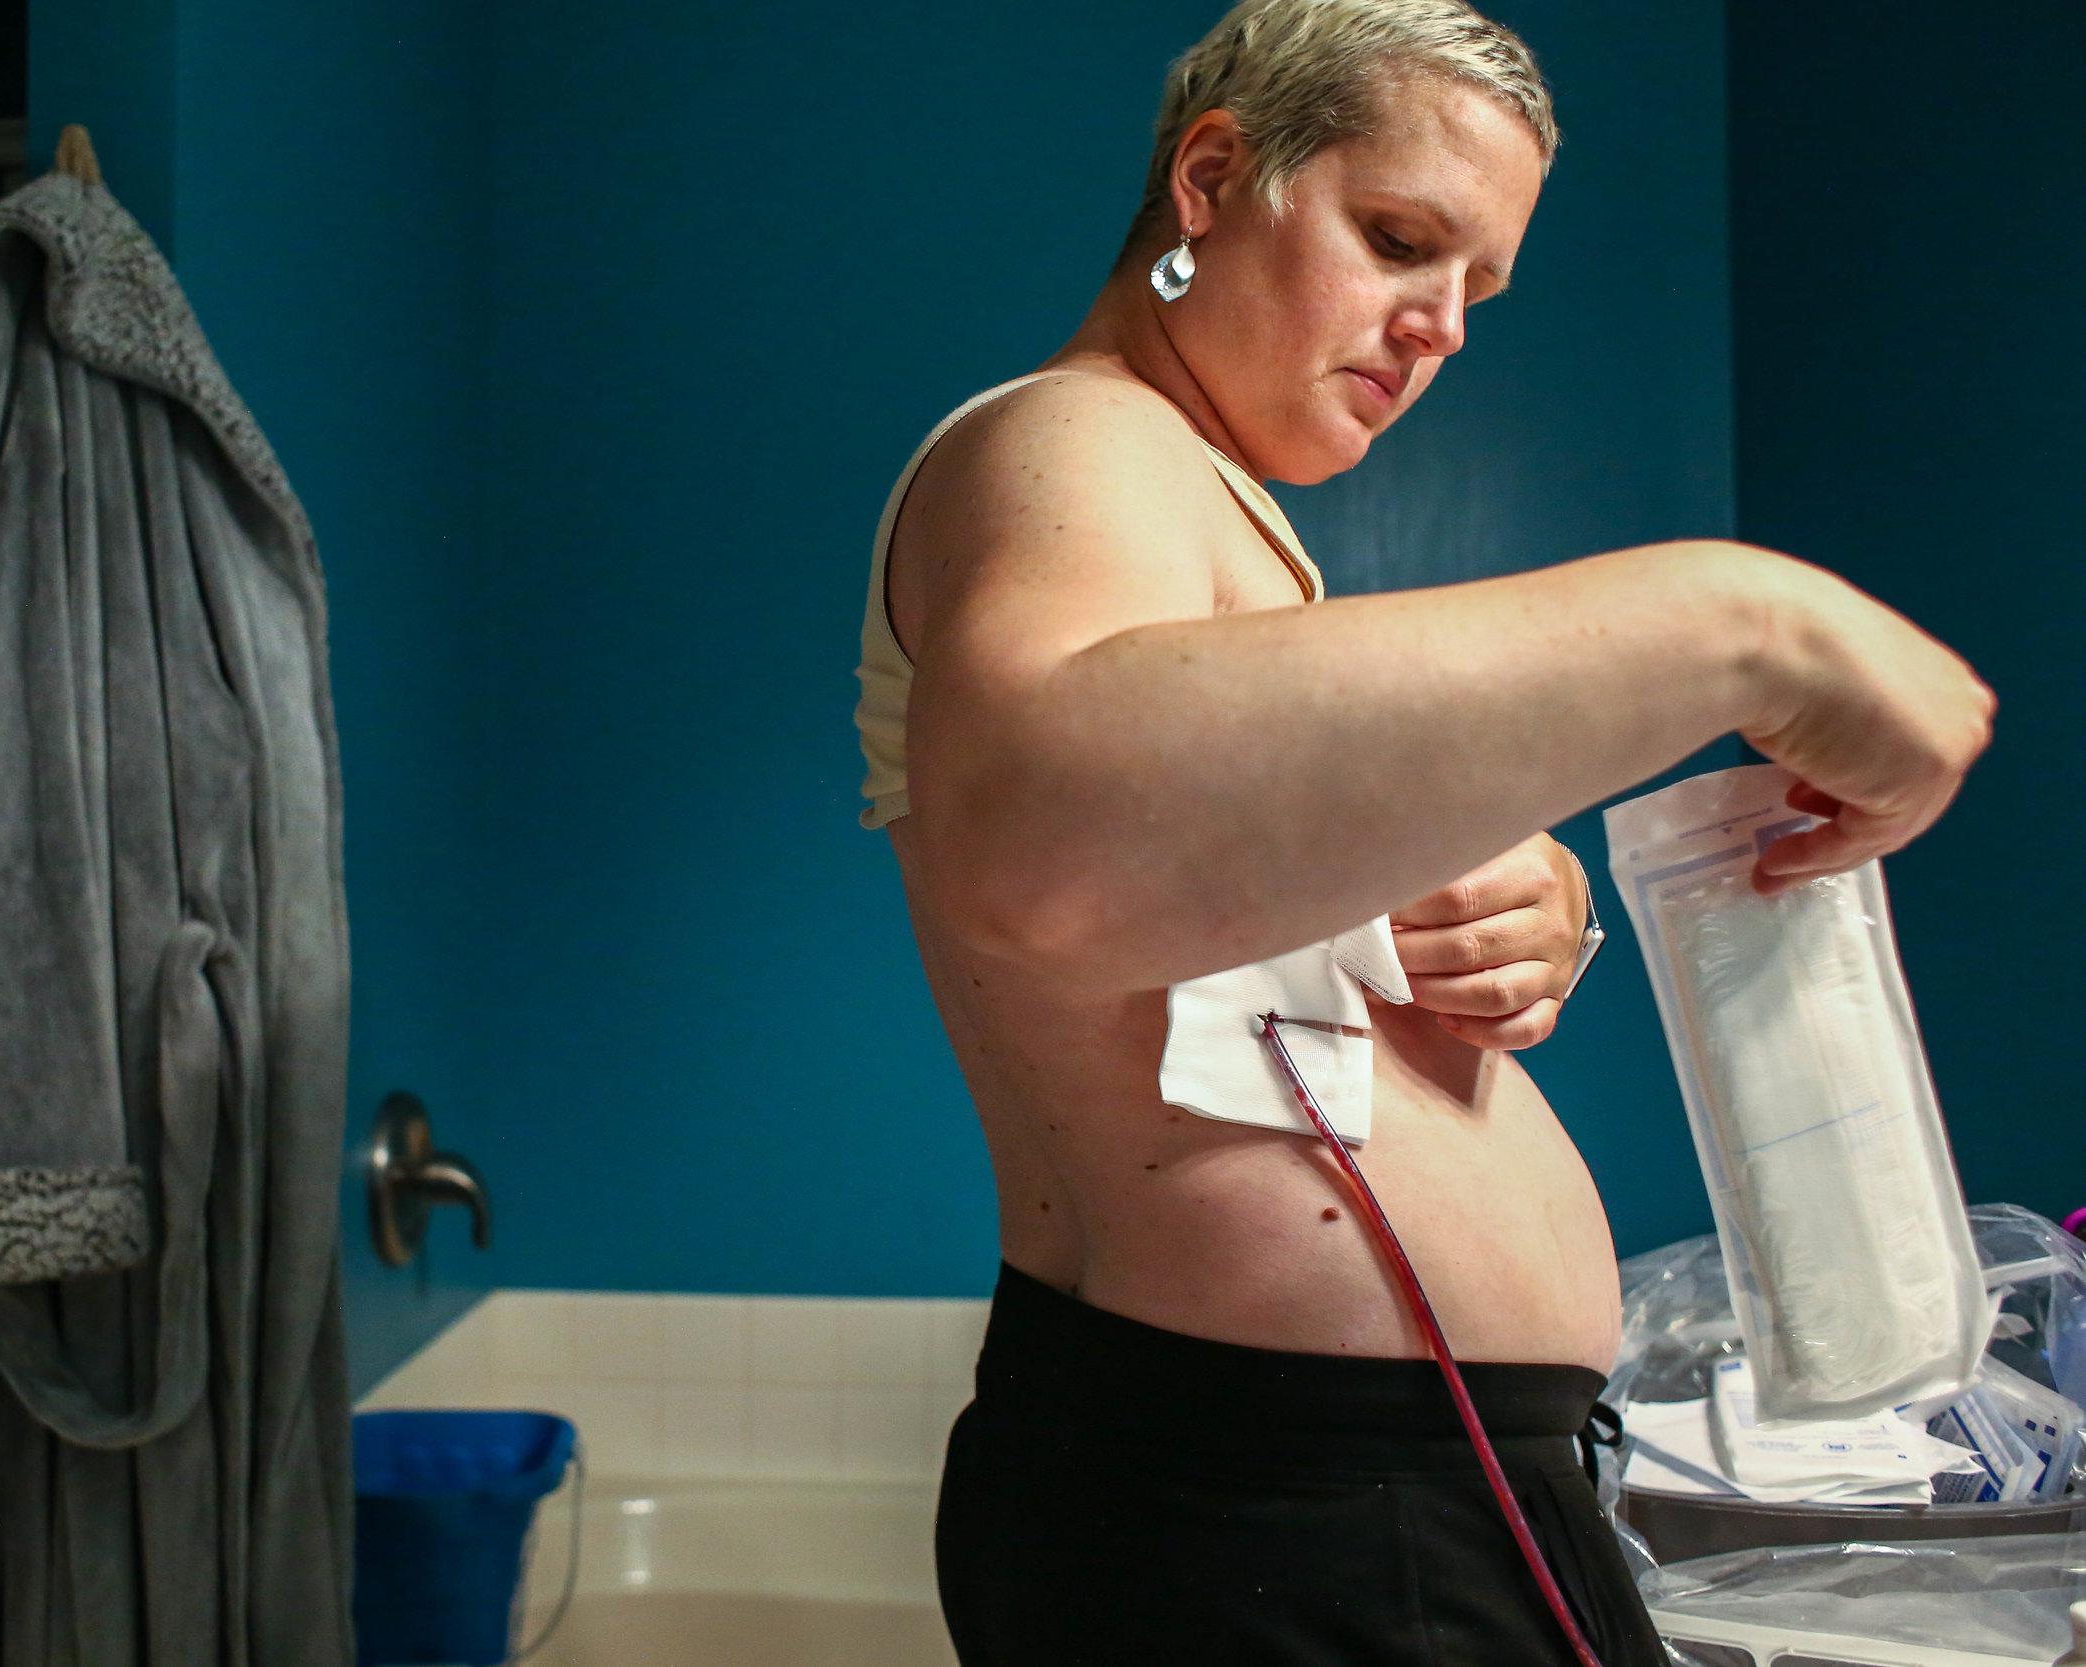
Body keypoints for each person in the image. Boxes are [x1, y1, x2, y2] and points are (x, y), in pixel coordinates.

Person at [850, 2, 1994, 1662]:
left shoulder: (1216, 529)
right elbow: (1046, 844)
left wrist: (1506, 896)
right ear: (1215, 178)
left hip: (1380, 1489)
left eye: (1479, 290)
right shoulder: (1075, 439)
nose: (1441, 326)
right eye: (1402, 242)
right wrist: (1746, 623)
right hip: (1268, 1499)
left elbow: (1212, 874)